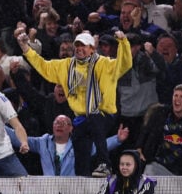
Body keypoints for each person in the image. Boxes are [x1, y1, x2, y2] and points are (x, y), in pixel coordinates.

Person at [19, 27, 133, 176]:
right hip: (81, 118)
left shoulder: (105, 64)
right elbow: (43, 66)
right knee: (79, 144)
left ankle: (104, 164)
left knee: (94, 116)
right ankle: (81, 177)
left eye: (83, 46)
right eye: (77, 45)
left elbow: (125, 64)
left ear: (92, 49)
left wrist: (123, 42)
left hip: (104, 114)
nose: (79, 49)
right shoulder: (66, 66)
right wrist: (25, 48)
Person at [137, 83, 182, 176]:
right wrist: (139, 148)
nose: (177, 99)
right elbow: (145, 131)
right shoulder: (161, 113)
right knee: (148, 176)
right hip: (158, 164)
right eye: (175, 95)